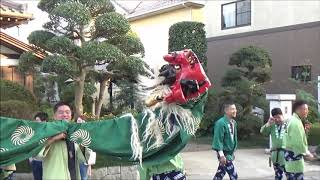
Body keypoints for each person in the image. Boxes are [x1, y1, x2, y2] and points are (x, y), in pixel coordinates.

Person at [36, 102, 89, 180]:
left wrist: (84, 141)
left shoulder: (73, 134)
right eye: (60, 112)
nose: (64, 115)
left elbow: (82, 159)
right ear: (54, 116)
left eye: (67, 112)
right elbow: (37, 155)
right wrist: (53, 139)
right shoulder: (47, 132)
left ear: (71, 116)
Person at [283, 100, 314, 180]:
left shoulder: (291, 120)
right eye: (305, 109)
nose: (307, 111)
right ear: (298, 110)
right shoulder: (296, 123)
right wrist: (307, 153)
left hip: (289, 155)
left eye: (307, 109)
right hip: (294, 155)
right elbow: (298, 143)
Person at [212, 102, 238, 180]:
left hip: (229, 154)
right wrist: (221, 155)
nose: (235, 111)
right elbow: (218, 139)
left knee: (220, 175)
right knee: (234, 176)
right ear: (226, 111)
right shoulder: (220, 123)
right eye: (232, 109)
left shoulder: (234, 123)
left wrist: (232, 152)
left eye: (235, 109)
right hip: (224, 154)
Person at [260, 108, 288, 180]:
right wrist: (268, 123)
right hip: (275, 156)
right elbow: (262, 132)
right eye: (275, 118)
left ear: (282, 115)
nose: (277, 120)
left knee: (290, 175)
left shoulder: (288, 124)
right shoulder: (272, 125)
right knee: (278, 176)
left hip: (286, 155)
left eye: (279, 117)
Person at [29, 112, 48, 180]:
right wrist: (31, 160)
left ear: (44, 121)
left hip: (47, 162)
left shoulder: (50, 132)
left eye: (37, 120)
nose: (35, 122)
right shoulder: (33, 133)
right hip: (36, 162)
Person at [76, 115, 96, 180]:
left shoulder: (88, 133)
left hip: (84, 159)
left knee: (83, 177)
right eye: (78, 121)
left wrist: (90, 163)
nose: (79, 123)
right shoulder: (75, 133)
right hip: (74, 159)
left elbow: (92, 147)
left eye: (81, 121)